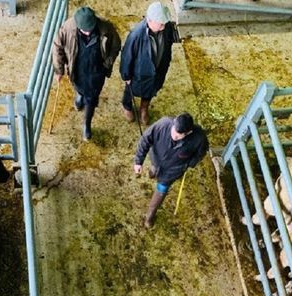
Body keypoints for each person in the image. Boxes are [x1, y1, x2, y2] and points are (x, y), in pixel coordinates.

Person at [52, 7, 121, 141]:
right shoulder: (67, 28)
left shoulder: (106, 28)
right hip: (77, 68)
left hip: (97, 72)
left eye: (90, 28)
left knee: (91, 99)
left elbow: (116, 45)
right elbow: (57, 47)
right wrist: (59, 70)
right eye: (85, 29)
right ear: (77, 25)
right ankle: (79, 95)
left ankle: (87, 124)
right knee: (77, 85)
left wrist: (108, 62)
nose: (88, 32)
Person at [133, 113, 208, 228]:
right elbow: (145, 139)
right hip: (156, 160)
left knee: (161, 190)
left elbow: (200, 154)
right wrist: (138, 161)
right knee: (153, 170)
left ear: (188, 132)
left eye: (178, 136)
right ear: (174, 122)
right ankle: (153, 172)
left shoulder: (200, 138)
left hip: (172, 171)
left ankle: (150, 216)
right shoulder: (163, 124)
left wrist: (190, 164)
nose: (174, 136)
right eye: (173, 131)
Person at [120, 1, 177, 126]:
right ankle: (127, 106)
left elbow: (170, 44)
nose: (163, 26)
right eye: (161, 23)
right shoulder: (136, 35)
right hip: (138, 75)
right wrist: (126, 76)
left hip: (157, 72)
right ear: (150, 20)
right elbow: (126, 56)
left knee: (150, 91)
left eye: (164, 23)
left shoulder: (166, 28)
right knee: (130, 91)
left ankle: (144, 108)